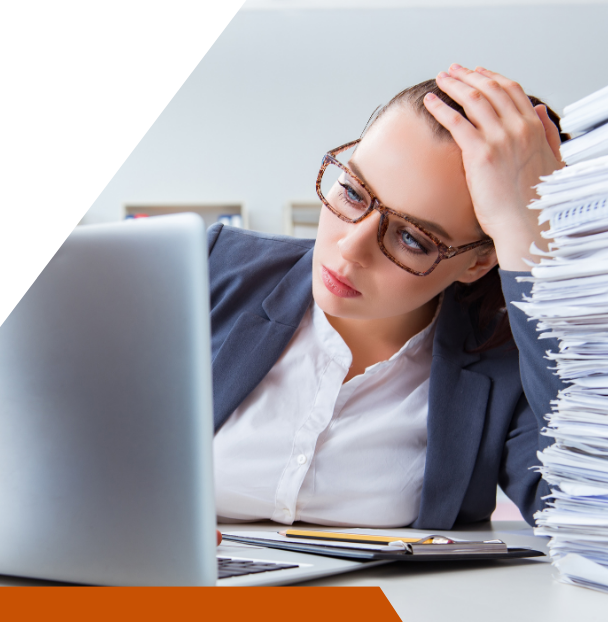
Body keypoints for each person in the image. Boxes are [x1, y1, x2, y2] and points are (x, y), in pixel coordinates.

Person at [209, 64, 566, 529]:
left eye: (413, 239)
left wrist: (525, 241)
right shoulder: (209, 266)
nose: (350, 248)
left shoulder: (511, 363)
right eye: (355, 194)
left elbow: (591, 515)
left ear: (479, 262)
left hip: (391, 604)